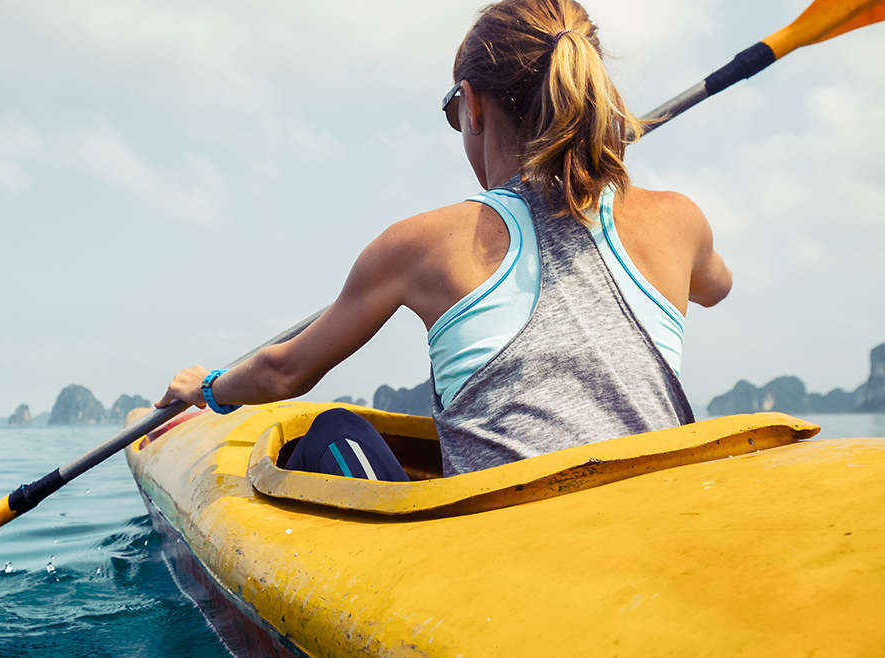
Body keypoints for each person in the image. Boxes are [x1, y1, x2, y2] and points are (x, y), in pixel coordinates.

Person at [155, 0, 732, 480]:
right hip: (659, 517)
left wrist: (208, 387)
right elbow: (716, 288)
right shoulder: (679, 221)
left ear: (473, 104)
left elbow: (285, 374)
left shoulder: (421, 244)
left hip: (507, 548)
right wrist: (602, 167)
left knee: (331, 432)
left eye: (454, 112)